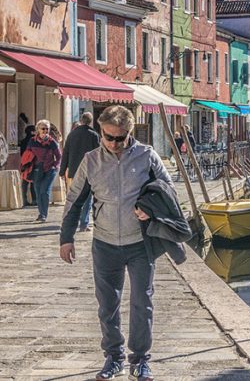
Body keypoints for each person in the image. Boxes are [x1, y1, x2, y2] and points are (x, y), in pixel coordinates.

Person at [60, 105, 173, 381]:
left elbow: (169, 191)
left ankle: (140, 360)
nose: (112, 143)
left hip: (140, 243)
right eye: (107, 137)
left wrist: (152, 210)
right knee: (107, 303)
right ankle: (113, 357)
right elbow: (75, 201)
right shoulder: (91, 160)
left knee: (142, 301)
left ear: (129, 133)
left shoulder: (147, 156)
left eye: (118, 138)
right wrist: (66, 238)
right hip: (105, 243)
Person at [62, 113, 100, 232]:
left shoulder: (72, 134)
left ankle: (72, 220)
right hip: (90, 170)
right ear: (90, 121)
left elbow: (66, 152)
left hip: (74, 171)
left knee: (75, 196)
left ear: (81, 121)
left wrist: (62, 170)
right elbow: (98, 154)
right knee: (87, 198)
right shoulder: (93, 135)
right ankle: (84, 223)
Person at [23, 120, 62, 222]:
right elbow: (28, 154)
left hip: (50, 169)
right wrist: (26, 164)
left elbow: (59, 156)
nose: (45, 131)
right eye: (43, 128)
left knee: (44, 191)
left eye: (47, 129)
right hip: (37, 169)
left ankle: (43, 214)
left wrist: (55, 166)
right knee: (38, 191)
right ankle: (41, 214)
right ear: (38, 130)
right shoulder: (32, 141)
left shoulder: (52, 142)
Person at [19, 124, 37, 206]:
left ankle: (24, 199)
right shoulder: (34, 140)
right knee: (33, 182)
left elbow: (21, 153)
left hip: (24, 163)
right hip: (33, 162)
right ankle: (34, 200)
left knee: (25, 181)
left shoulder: (23, 141)